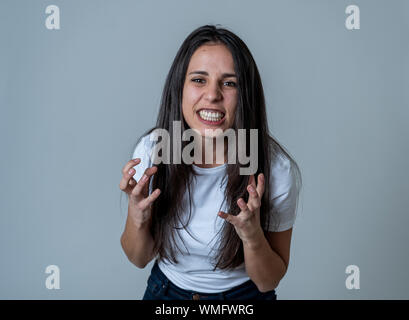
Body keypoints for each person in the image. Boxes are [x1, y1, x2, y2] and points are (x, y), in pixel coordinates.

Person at [119, 25, 302, 300]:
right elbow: (138, 258)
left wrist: (252, 237)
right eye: (199, 80)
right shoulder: (153, 151)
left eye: (229, 83)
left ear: (246, 95)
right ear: (179, 87)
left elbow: (267, 282)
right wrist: (138, 216)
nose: (213, 94)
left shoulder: (275, 169)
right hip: (166, 293)